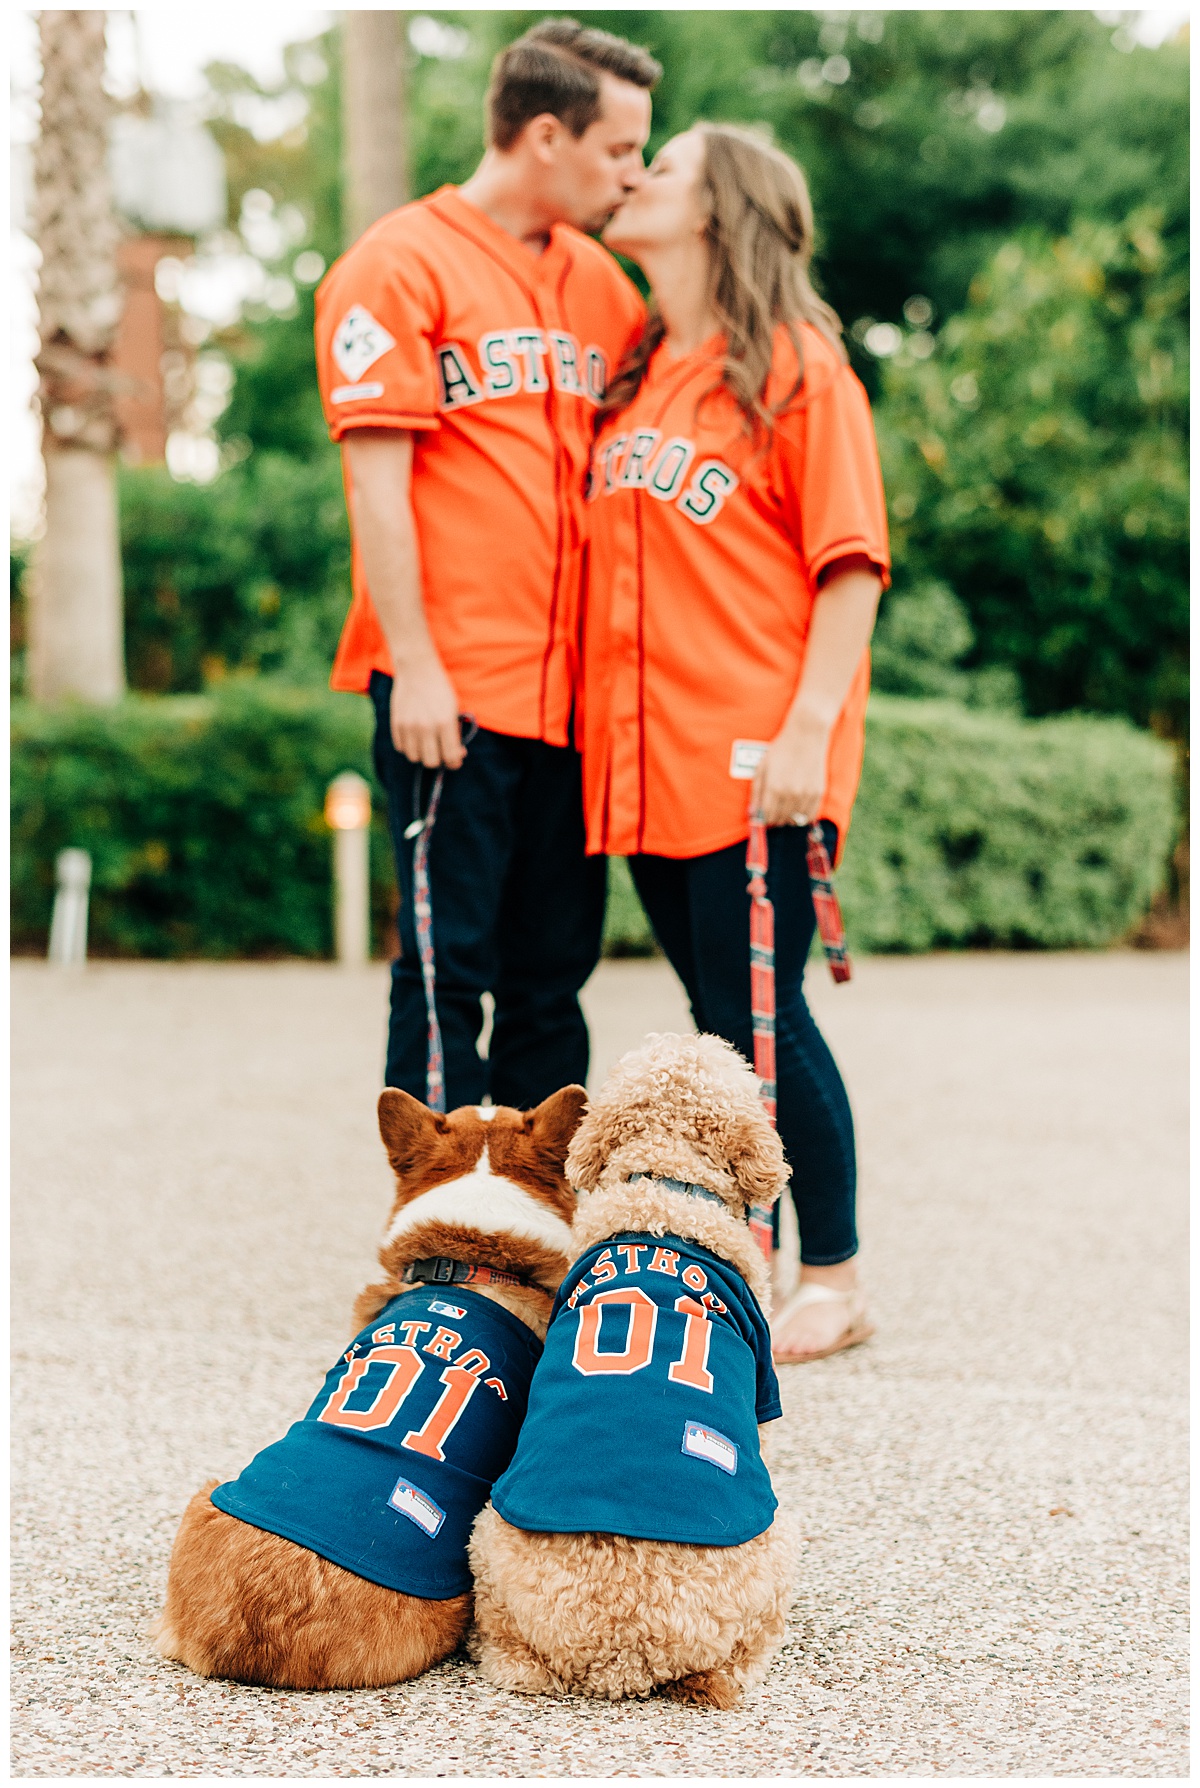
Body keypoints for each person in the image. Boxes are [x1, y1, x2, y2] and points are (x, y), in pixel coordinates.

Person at [583, 123, 890, 1363]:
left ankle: (839, 1274)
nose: (637, 176)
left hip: (759, 758)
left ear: (717, 212)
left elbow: (851, 566)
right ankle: (737, 1252)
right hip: (649, 769)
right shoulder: (647, 372)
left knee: (767, 1025)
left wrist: (809, 729)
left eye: (663, 168)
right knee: (719, 1018)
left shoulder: (799, 367)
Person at [314, 21, 658, 1109]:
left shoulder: (610, 290)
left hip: (573, 707)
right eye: (619, 150)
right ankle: (439, 1238)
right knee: (443, 973)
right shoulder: (396, 264)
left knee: (554, 979)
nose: (633, 174)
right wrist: (415, 666)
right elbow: (376, 486)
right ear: (546, 135)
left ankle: (536, 1228)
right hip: (449, 694)